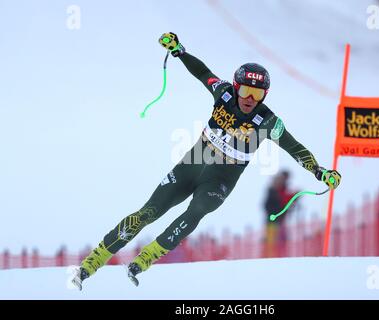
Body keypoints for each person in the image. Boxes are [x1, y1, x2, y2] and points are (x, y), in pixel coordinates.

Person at [71, 32, 342, 290]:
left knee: (196, 210)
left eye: (257, 94)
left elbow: (294, 147)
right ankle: (92, 262)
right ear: (236, 87)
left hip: (220, 179)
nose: (250, 99)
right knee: (147, 213)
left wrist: (319, 172)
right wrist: (179, 52)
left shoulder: (268, 121)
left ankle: (146, 259)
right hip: (192, 165)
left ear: (265, 96)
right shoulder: (223, 93)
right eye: (246, 90)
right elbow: (203, 73)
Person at [263, 170, 298, 257]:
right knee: (272, 244)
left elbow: (287, 199)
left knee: (282, 241)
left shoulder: (282, 190)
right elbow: (268, 206)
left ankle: (281, 257)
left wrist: (294, 198)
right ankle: (271, 258)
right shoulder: (273, 192)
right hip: (272, 223)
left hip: (281, 222)